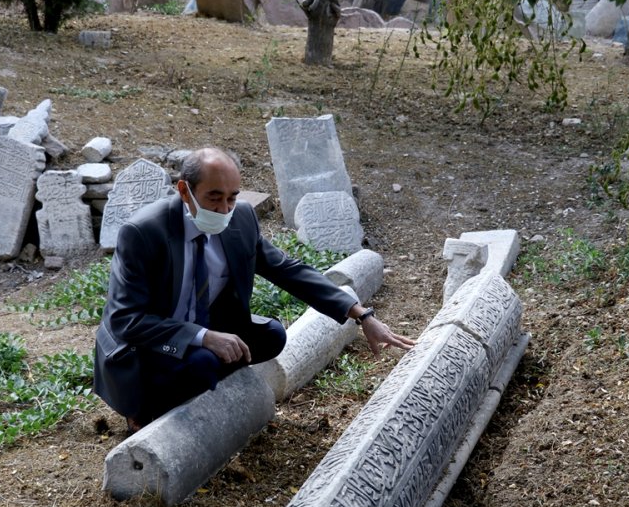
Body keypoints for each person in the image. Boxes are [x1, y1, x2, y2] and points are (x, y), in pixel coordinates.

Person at [93, 147, 416, 433]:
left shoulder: (241, 218)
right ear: (184, 190)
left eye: (232, 197)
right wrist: (204, 336)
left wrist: (360, 314)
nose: (224, 209)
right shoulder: (144, 231)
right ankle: (146, 409)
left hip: (205, 324)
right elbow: (127, 320)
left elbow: (286, 269)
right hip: (151, 340)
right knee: (203, 363)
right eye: (213, 197)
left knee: (272, 335)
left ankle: (196, 382)